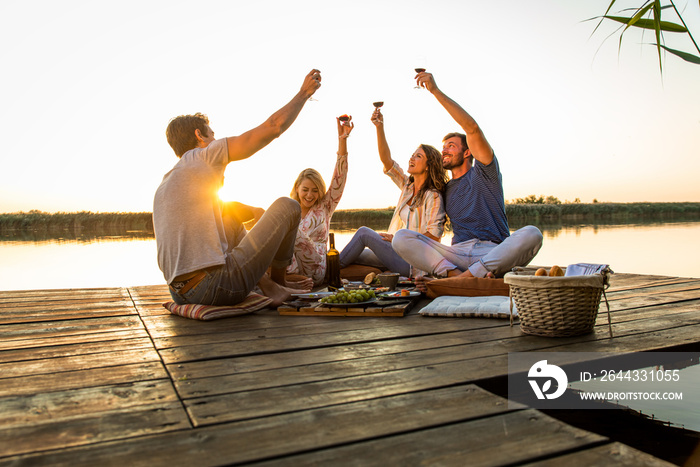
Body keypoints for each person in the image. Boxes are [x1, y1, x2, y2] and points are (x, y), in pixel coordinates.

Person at [153, 69, 322, 307]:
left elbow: (223, 209)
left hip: (179, 292)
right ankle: (278, 283)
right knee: (289, 205)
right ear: (199, 135)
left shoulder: (167, 182)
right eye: (212, 134)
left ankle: (268, 285)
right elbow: (273, 127)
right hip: (215, 287)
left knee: (230, 218)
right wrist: (304, 93)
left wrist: (251, 211)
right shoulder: (204, 156)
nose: (215, 139)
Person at [392, 72, 543, 291]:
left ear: (467, 152)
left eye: (451, 145)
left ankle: (459, 281)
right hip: (457, 254)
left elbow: (471, 127)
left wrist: (434, 90)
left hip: (491, 252)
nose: (445, 149)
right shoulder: (442, 189)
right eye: (444, 146)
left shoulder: (484, 172)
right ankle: (458, 276)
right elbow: (408, 182)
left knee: (532, 234)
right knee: (401, 238)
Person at [339, 107, 447, 277]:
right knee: (357, 255)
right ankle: (373, 273)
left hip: (415, 263)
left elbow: (434, 237)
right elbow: (387, 161)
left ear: (428, 165)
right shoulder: (407, 187)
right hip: (398, 253)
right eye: (412, 154)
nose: (412, 158)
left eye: (418, 156)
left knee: (363, 234)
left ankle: (326, 271)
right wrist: (379, 127)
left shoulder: (432, 196)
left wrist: (399, 239)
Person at [287, 116, 353, 285]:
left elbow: (341, 176)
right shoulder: (289, 210)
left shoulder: (324, 206)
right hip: (290, 267)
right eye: (305, 190)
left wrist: (342, 140)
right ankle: (285, 280)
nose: (310, 195)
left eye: (315, 190)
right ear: (297, 189)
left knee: (290, 232)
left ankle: (288, 281)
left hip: (316, 267)